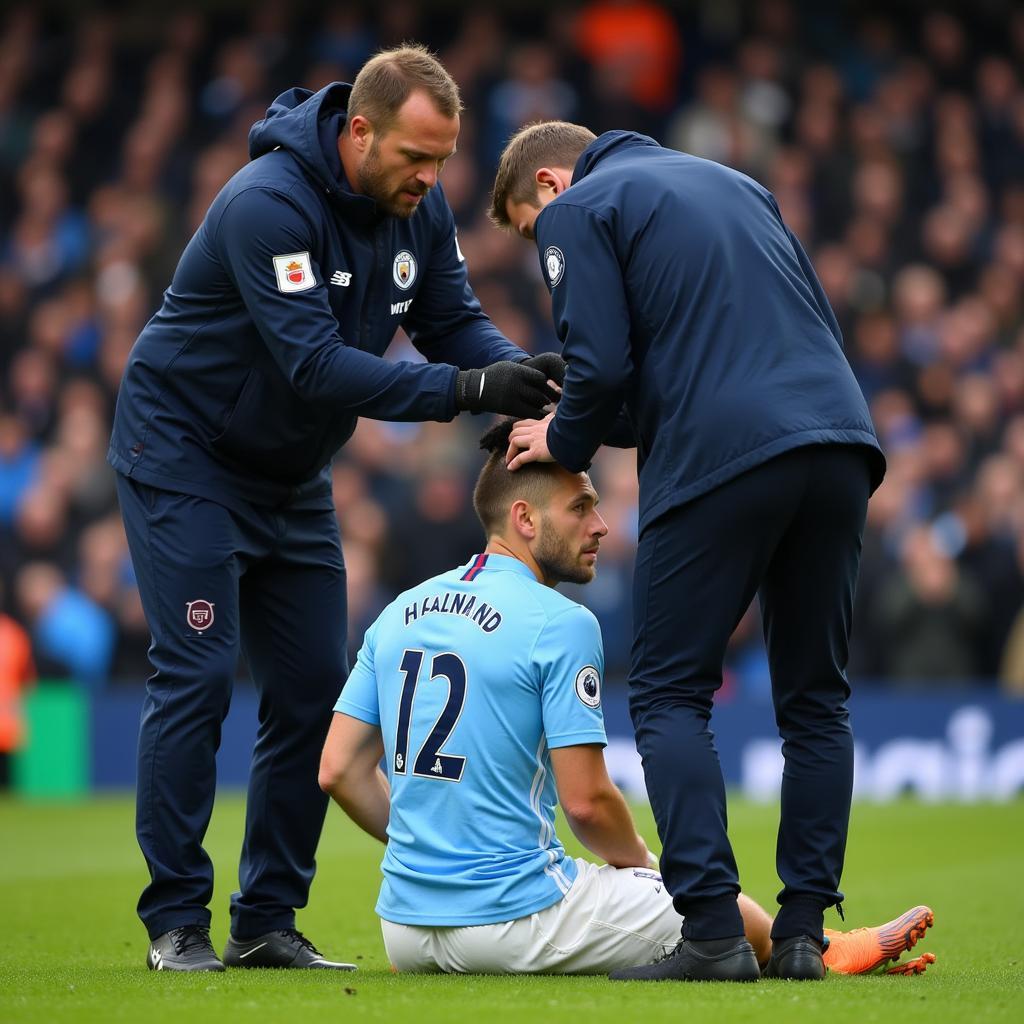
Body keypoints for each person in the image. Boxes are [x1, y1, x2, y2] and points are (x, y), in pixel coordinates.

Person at [107, 45, 564, 973]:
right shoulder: (267, 205)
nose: (430, 181)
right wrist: (467, 385)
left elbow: (452, 325)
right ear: (359, 131)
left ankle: (266, 921)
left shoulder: (419, 209)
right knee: (196, 676)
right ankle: (176, 923)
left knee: (316, 689)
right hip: (185, 456)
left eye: (442, 163)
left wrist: (520, 374)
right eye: (413, 158)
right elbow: (313, 365)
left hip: (289, 474)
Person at [318, 420, 933, 977]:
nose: (602, 524)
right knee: (697, 900)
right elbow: (585, 803)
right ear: (526, 520)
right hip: (515, 923)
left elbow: (339, 769)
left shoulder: (397, 612)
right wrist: (640, 866)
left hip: (404, 931)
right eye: (581, 506)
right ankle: (821, 945)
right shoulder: (560, 621)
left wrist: (431, 850)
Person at [492, 122, 888, 981]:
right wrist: (580, 403)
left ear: (550, 184)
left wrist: (557, 435)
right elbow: (715, 357)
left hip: (721, 457)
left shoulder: (578, 208)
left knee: (670, 693)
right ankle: (802, 934)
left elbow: (600, 373)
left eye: (528, 229)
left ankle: (710, 929)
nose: (539, 246)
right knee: (817, 700)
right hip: (840, 441)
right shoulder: (740, 186)